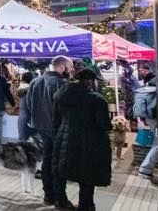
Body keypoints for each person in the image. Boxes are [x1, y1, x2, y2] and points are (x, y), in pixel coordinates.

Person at [52, 69, 111, 211]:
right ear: (90, 81)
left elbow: (55, 120)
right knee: (87, 174)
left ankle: (60, 201)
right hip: (89, 141)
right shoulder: (97, 99)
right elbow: (104, 124)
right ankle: (86, 205)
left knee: (61, 172)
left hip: (64, 138)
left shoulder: (60, 95)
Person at [25, 55, 74, 208]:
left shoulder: (35, 82)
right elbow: (67, 108)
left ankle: (48, 195)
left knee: (47, 160)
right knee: (58, 163)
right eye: (70, 68)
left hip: (41, 127)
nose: (71, 71)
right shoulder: (62, 83)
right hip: (57, 129)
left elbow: (28, 105)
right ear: (62, 67)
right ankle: (60, 198)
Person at [17, 71, 35, 142]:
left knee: (22, 139)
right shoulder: (30, 90)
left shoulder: (21, 88)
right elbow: (31, 105)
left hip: (22, 117)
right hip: (29, 118)